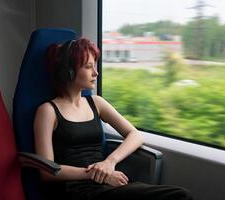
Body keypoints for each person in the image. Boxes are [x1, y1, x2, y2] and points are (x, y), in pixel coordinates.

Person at [34, 38, 193, 200]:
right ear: (68, 72)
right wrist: (96, 174)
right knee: (180, 196)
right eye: (88, 67)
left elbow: (135, 135)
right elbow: (47, 171)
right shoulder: (48, 111)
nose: (96, 73)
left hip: (105, 183)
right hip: (75, 189)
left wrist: (110, 162)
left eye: (95, 65)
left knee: (177, 195)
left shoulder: (96, 103)